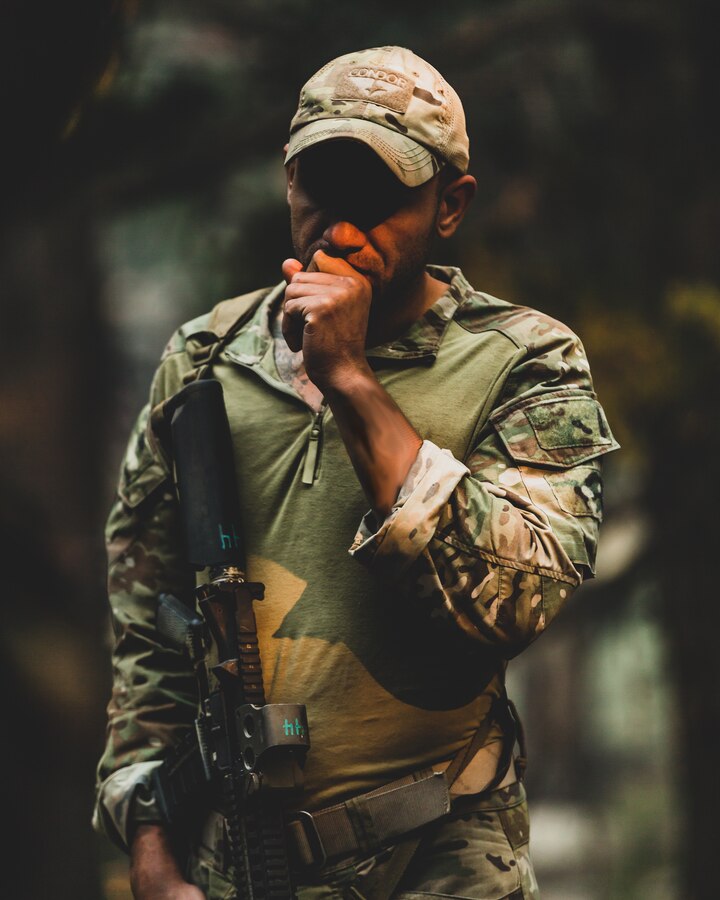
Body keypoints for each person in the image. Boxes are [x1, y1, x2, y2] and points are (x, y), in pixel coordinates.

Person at [93, 46, 619, 899]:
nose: (340, 230)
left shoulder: (524, 361)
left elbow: (512, 602)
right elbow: (151, 631)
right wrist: (151, 848)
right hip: (240, 865)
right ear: (287, 182)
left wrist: (349, 379)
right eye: (319, 191)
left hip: (441, 858)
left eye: (379, 202)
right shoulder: (204, 360)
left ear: (450, 206)